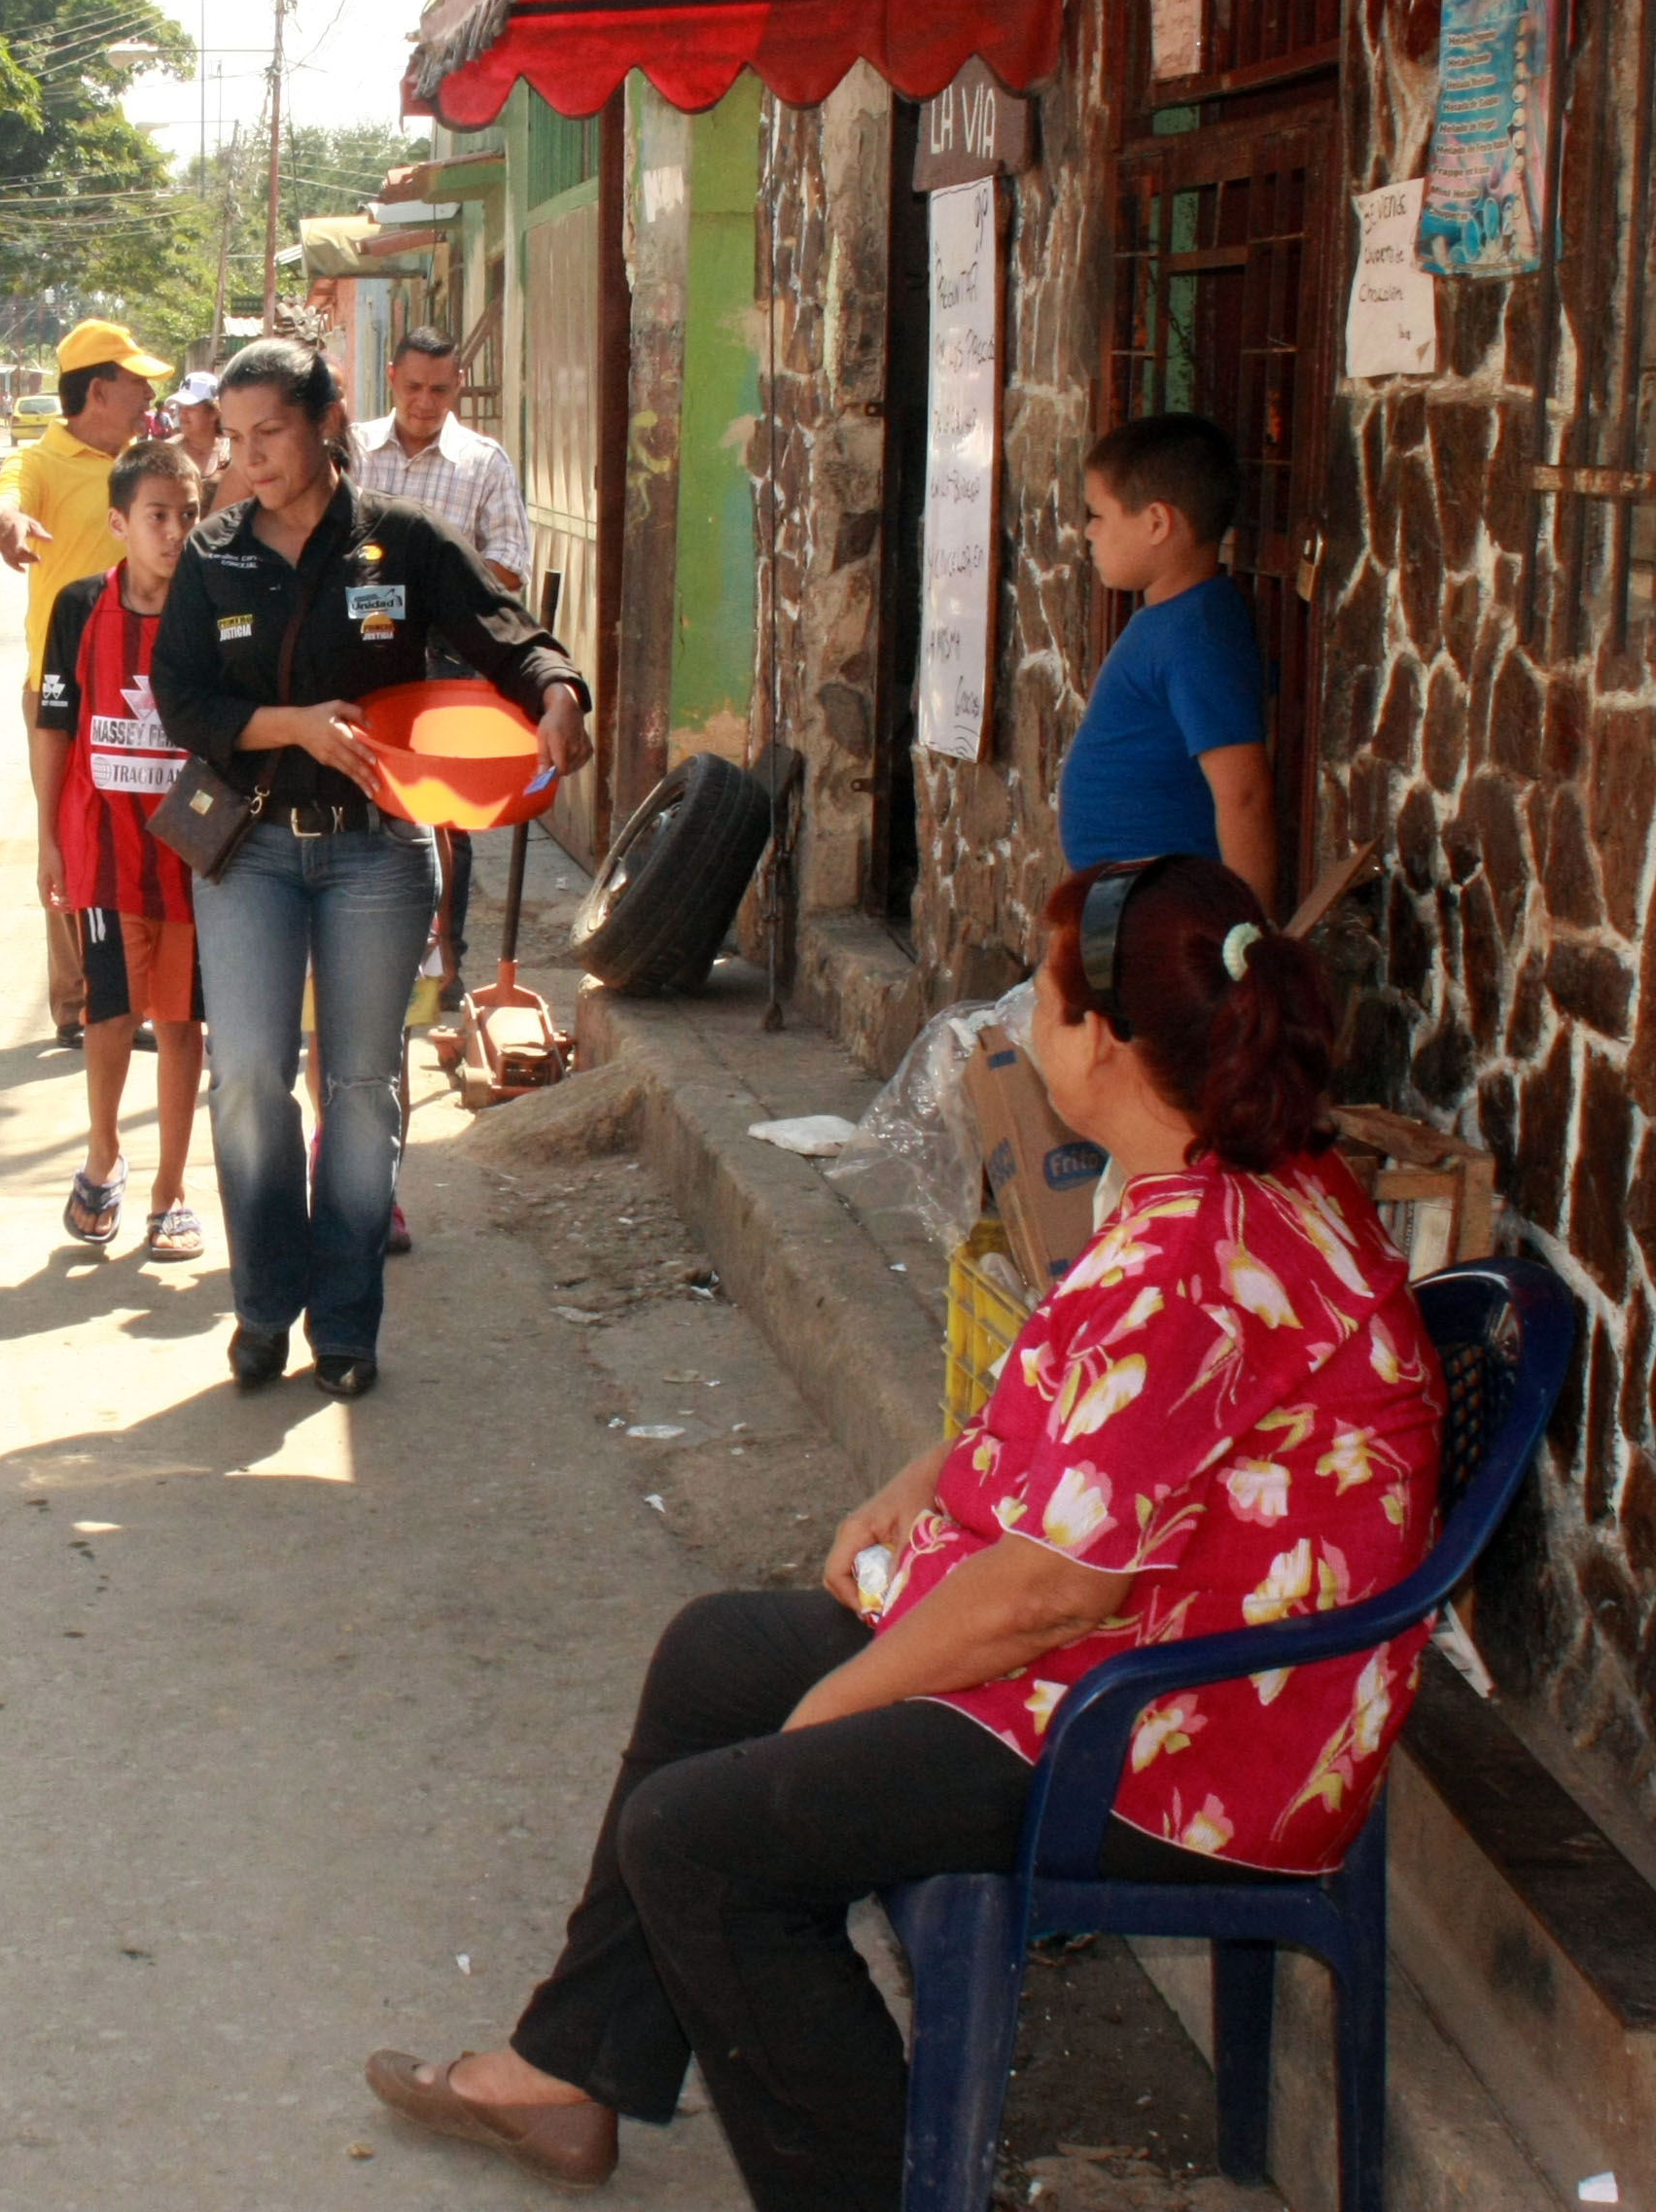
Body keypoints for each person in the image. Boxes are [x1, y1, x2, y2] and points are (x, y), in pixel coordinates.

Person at [364, 855, 1441, 2211]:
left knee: (707, 1844)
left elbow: (1050, 1595)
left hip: (1185, 1739)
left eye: (1038, 1004)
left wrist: (833, 1710)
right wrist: (935, 1476)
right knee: (712, 1659)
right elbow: (1105, 1426)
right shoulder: (1233, 1176)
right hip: (1155, 1662)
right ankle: (570, 2072)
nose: (1015, 1030)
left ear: (1102, 1043)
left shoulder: (1199, 1264)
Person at [150, 336, 587, 1398]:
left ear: (323, 419)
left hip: (378, 857)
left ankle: (344, 1325)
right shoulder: (215, 558)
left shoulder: (403, 541)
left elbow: (507, 636)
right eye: (238, 439)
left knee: (359, 1088)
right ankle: (263, 1306)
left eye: (273, 435)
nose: (251, 459)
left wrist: (558, 695)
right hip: (249, 851)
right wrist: (291, 724)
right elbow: (185, 703)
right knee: (250, 1080)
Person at [0, 319, 175, 1048]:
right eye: (135, 380)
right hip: (62, 693)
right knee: (68, 840)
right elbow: (0, 504)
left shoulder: (144, 464)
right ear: (99, 390)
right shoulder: (40, 462)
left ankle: (143, 994)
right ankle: (78, 1006)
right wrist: (6, 525)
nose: (149, 392)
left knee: (152, 834)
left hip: (150, 690)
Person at [33, 438, 207, 1262]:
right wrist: (47, 840)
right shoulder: (78, 607)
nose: (175, 533)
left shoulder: (211, 608)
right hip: (102, 851)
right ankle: (103, 1154)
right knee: (109, 1014)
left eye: (188, 515)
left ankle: (172, 1191)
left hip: (194, 854)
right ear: (118, 522)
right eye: (158, 516)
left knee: (181, 1023)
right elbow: (55, 727)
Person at [349, 323, 535, 1002]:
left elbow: (510, 564)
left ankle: (444, 964)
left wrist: (434, 582)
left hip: (450, 657)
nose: (427, 401)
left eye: (441, 388)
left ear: (457, 387)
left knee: (448, 814)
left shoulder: (484, 462)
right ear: (392, 378)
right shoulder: (353, 453)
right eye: (415, 386)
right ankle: (364, 955)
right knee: (365, 801)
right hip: (362, 650)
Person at [1060, 411, 1276, 908]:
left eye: (1098, 515)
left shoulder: (1197, 635)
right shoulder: (1167, 619)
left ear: (1156, 522)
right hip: (1124, 900)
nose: (1089, 532)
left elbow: (1244, 795)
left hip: (1161, 908)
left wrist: (1252, 943)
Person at [167, 369, 251, 513]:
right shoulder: (165, 453)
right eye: (180, 407)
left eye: (190, 408)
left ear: (214, 412)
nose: (182, 414)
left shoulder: (234, 453)